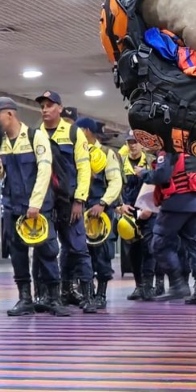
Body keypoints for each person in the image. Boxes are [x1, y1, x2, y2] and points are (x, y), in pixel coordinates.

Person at [0, 97, 58, 316]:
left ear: (10, 114)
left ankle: (53, 298)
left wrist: (35, 204)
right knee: (17, 254)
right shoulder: (0, 142)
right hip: (12, 207)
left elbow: (44, 171)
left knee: (46, 251)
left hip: (37, 207)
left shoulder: (35, 136)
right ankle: (25, 298)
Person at [35, 90, 90, 314]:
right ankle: (47, 295)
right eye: (42, 106)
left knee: (77, 248)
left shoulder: (74, 133)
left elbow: (84, 168)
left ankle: (86, 295)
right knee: (43, 249)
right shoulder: (35, 135)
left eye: (50, 105)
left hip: (69, 201)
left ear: (59, 108)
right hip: (44, 202)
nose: (45, 109)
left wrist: (79, 200)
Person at [144, 148, 196, 303]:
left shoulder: (169, 148)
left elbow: (162, 175)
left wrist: (143, 174)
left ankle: (177, 284)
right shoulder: (194, 149)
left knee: (159, 243)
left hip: (177, 204)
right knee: (195, 245)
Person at [75, 118, 122, 312]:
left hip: (100, 210)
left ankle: (101, 294)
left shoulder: (106, 153)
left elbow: (115, 181)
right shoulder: (78, 152)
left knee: (101, 253)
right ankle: (87, 294)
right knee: (81, 252)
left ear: (86, 131)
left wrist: (103, 203)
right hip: (81, 209)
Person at [118, 136, 156, 300]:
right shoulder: (121, 163)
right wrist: (120, 206)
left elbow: (158, 185)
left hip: (148, 211)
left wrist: (151, 208)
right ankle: (139, 286)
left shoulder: (150, 161)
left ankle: (149, 286)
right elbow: (115, 185)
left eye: (136, 142)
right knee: (133, 250)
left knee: (149, 248)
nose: (133, 145)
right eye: (130, 142)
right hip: (129, 213)